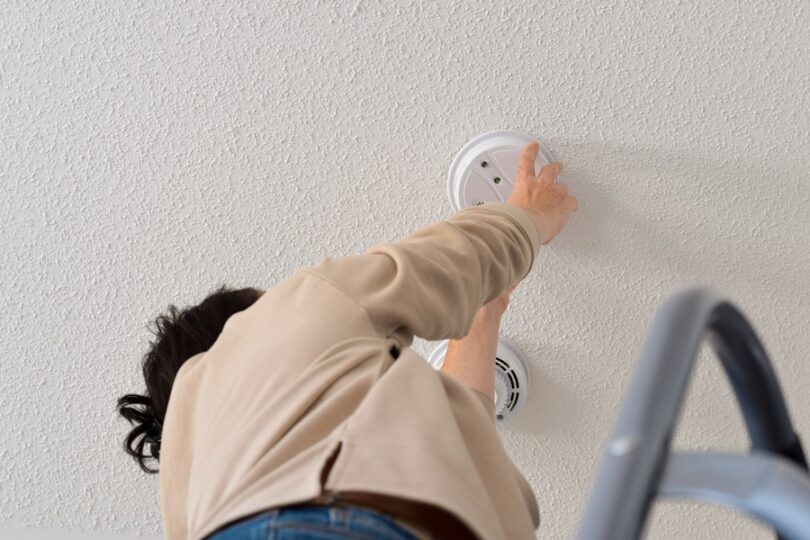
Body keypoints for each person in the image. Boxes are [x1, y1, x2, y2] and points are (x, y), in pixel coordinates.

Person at [117, 141, 577, 540]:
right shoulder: (275, 319)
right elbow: (442, 266)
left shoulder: (190, 483)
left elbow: (460, 445)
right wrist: (529, 217)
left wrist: (486, 312)